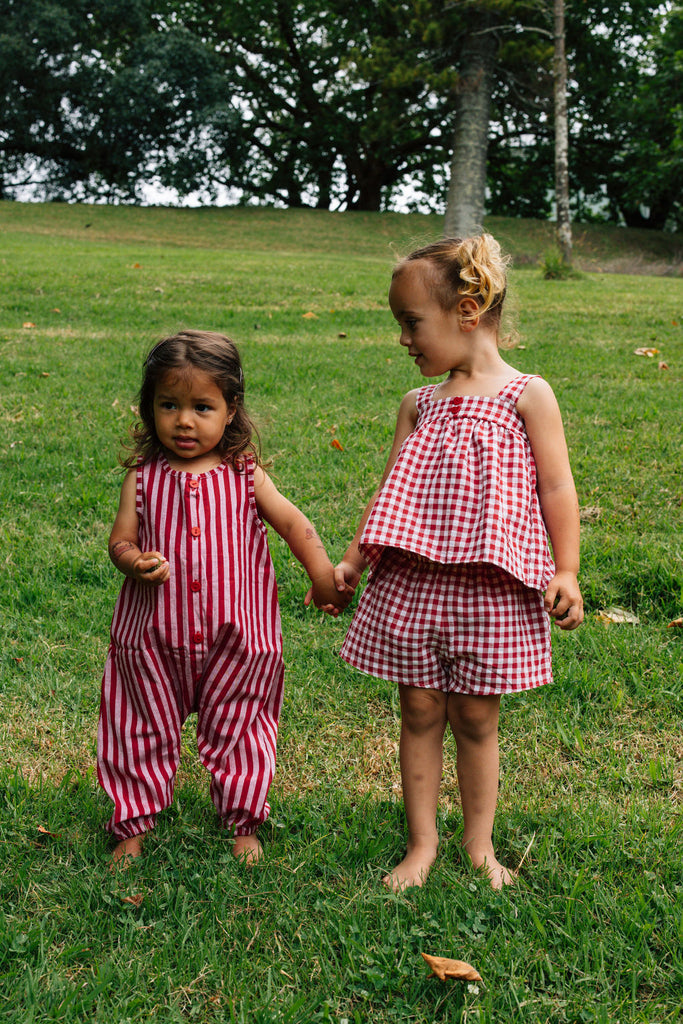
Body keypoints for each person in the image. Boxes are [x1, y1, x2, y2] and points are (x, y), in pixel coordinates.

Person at [333, 235, 584, 891]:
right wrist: (355, 561)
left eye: (411, 323)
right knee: (417, 710)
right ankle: (421, 844)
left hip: (491, 590)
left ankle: (479, 844)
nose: (403, 339)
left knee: (475, 716)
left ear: (467, 310)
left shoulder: (527, 395)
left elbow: (557, 488)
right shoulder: (418, 405)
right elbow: (390, 490)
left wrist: (565, 570)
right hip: (413, 585)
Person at [98, 330, 351, 868]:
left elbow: (294, 525)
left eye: (201, 407)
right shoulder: (141, 480)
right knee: (138, 727)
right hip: (152, 641)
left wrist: (324, 577)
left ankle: (243, 822)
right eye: (169, 405)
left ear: (231, 409)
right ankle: (132, 825)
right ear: (149, 408)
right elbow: (120, 540)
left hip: (239, 639)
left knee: (242, 726)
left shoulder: (244, 476)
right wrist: (134, 560)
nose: (184, 421)